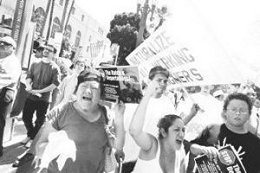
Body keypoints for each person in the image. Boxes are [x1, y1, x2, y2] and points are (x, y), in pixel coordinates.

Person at [16, 70, 126, 173]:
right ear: (76, 90)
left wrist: (119, 117)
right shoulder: (60, 111)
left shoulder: (107, 115)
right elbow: (39, 147)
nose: (88, 91)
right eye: (83, 86)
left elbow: (118, 146)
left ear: (101, 95)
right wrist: (57, 147)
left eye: (94, 88)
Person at [122, 66, 199, 173]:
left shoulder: (167, 104)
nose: (162, 83)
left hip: (148, 160)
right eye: (159, 80)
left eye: (165, 81)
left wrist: (191, 114)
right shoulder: (134, 97)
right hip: (127, 154)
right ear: (149, 81)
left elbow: (175, 128)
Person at [190, 92, 260, 173]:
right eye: (233, 109)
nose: (237, 114)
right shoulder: (213, 129)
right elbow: (190, 147)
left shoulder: (255, 145)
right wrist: (202, 149)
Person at [21, 46, 60, 147]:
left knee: (39, 120)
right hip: (31, 96)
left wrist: (39, 91)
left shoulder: (55, 68)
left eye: (50, 50)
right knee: (25, 117)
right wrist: (29, 85)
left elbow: (55, 84)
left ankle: (33, 138)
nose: (46, 51)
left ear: (54, 54)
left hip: (44, 99)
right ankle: (31, 133)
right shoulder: (35, 63)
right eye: (45, 49)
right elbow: (29, 77)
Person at [0, 36, 21, 157]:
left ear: (12, 48)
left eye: (5, 45)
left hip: (5, 94)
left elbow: (8, 79)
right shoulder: (2, 58)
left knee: (0, 122)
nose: (2, 47)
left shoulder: (13, 62)